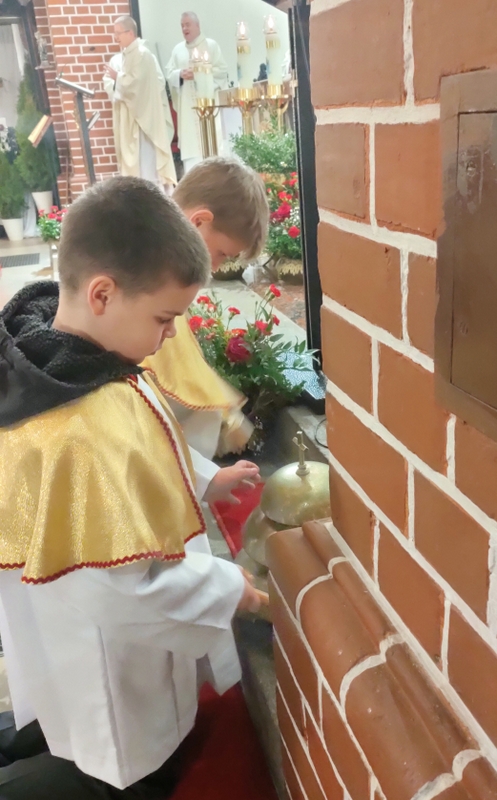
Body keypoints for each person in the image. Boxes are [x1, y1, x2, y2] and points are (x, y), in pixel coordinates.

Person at [0, 176, 262, 798]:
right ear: (102, 293)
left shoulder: (65, 354)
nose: (170, 335)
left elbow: (140, 447)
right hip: (110, 662)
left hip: (70, 633)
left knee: (67, 724)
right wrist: (231, 589)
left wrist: (204, 480)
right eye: (164, 318)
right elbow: (122, 590)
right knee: (120, 761)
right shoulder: (74, 423)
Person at [143, 157, 269, 459]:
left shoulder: (164, 270)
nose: (216, 267)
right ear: (198, 222)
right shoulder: (148, 282)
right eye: (222, 253)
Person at [103, 16, 176, 190]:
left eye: (118, 33)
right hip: (128, 120)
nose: (116, 37)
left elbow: (136, 85)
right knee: (137, 170)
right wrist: (116, 80)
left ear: (130, 33)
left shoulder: (143, 54)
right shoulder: (124, 56)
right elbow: (114, 83)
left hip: (143, 122)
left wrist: (117, 77)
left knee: (147, 167)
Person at [166, 13, 228, 174]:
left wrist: (200, 73)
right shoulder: (178, 50)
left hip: (209, 106)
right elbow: (169, 73)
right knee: (193, 156)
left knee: (213, 151)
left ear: (197, 25)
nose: (184, 28)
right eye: (182, 25)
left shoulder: (211, 46)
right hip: (189, 109)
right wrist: (180, 74)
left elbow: (222, 71)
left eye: (187, 24)